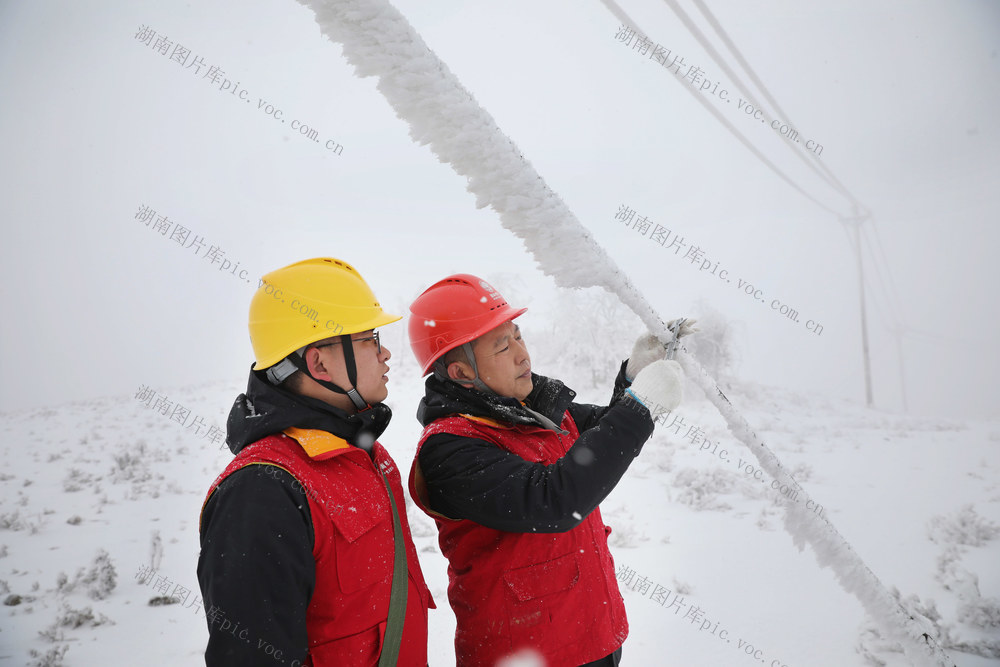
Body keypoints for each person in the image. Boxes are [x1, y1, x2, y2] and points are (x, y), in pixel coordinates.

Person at [406, 274, 692, 667]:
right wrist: (639, 407)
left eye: (518, 336)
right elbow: (554, 500)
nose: (523, 355)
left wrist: (634, 380)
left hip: (594, 637)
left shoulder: (535, 412)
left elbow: (605, 437)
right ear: (460, 373)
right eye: (502, 347)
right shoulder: (450, 448)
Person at [198, 257, 434, 667]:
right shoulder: (262, 490)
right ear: (319, 363)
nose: (387, 353)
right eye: (370, 339)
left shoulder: (365, 457)